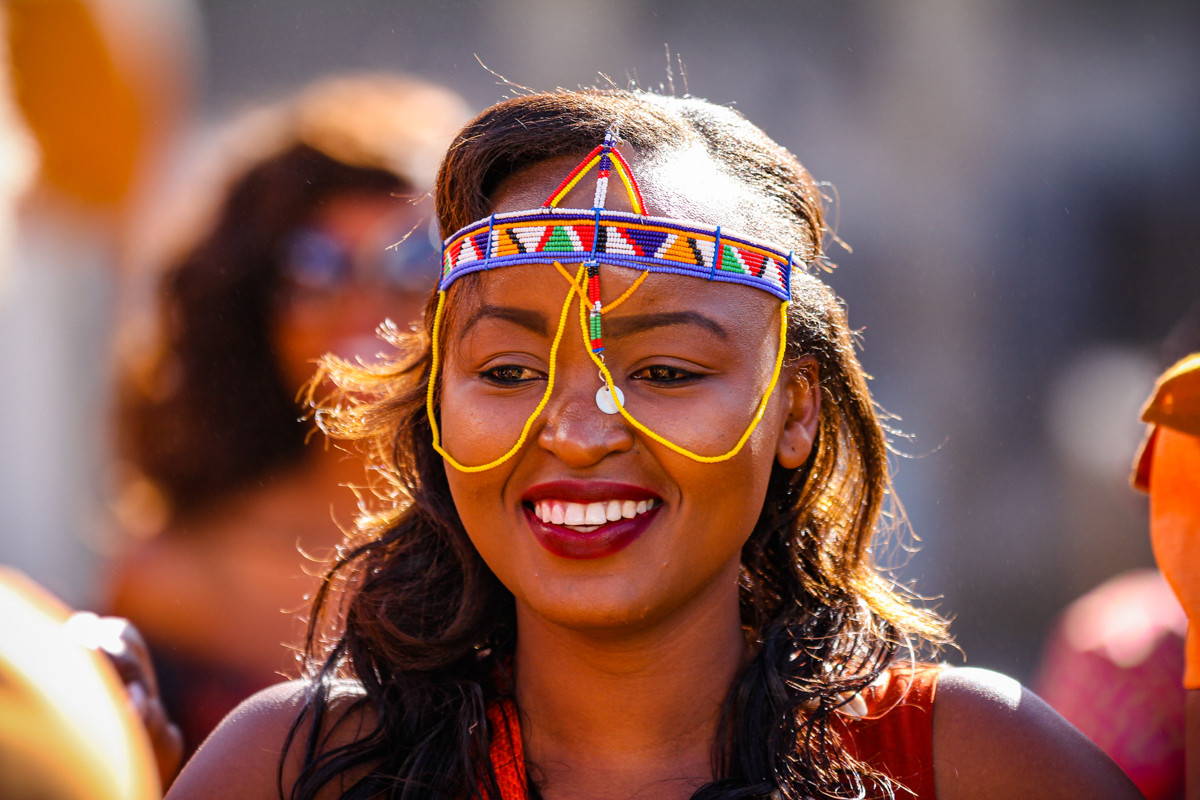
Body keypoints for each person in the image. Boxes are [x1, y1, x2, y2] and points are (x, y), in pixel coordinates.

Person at [165, 90, 1141, 799]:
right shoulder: (297, 769)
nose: (579, 431)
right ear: (435, 401)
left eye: (668, 372)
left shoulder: (964, 759)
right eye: (506, 371)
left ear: (795, 409)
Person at [106, 74, 470, 756]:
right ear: (254, 313)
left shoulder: (525, 547)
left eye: (409, 262)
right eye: (315, 269)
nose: (361, 304)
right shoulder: (169, 578)